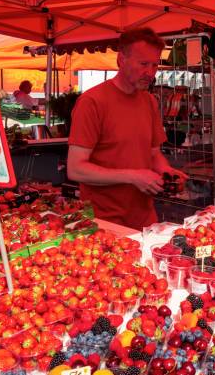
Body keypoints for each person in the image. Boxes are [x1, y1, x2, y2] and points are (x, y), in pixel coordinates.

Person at [67, 28, 187, 230]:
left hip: (145, 218)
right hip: (104, 222)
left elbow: (153, 154)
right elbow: (76, 169)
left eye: (155, 64)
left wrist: (167, 174)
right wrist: (133, 176)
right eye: (143, 64)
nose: (150, 72)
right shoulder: (92, 101)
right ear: (121, 60)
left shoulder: (149, 101)